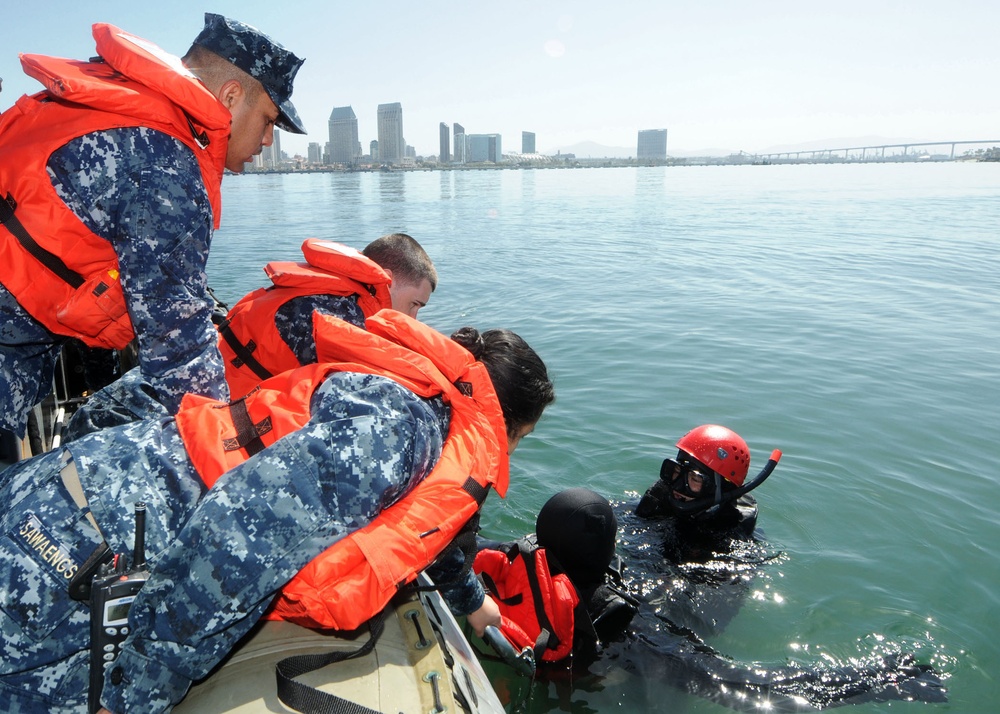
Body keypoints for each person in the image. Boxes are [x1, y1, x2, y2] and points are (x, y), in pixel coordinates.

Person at [0, 310, 555, 714]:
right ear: (500, 421)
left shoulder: (411, 406)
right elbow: (229, 544)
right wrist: (132, 697)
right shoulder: (399, 430)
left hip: (95, 506)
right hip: (76, 545)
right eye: (519, 440)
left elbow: (417, 531)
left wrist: (474, 605)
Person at [474, 428, 946, 711]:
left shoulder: (734, 551)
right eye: (676, 470)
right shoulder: (656, 508)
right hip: (608, 588)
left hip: (648, 627)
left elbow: (704, 629)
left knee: (729, 685)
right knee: (575, 512)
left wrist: (636, 644)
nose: (679, 485)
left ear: (724, 489)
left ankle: (896, 679)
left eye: (695, 477)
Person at [0, 13, 305, 450]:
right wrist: (233, 452)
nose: (268, 140)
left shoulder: (129, 115)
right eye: (269, 120)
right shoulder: (167, 168)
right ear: (232, 95)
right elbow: (180, 353)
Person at [218, 233, 437, 399]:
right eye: (414, 304)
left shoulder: (338, 292)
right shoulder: (340, 315)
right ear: (388, 281)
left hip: (221, 374)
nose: (413, 318)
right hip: (226, 402)